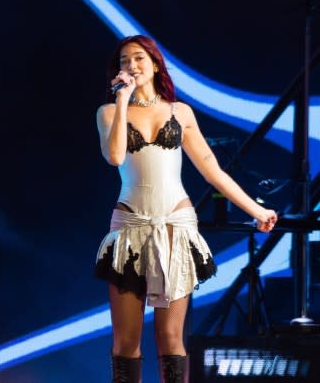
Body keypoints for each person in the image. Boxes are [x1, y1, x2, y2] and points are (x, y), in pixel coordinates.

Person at [94, 35, 277, 382]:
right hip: (130, 225)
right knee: (126, 342)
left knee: (171, 338)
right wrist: (121, 101)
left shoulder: (180, 112)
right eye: (124, 61)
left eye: (138, 58)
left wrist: (256, 210)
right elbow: (115, 156)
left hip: (176, 226)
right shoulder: (107, 113)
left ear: (155, 63)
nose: (131, 66)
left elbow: (213, 171)